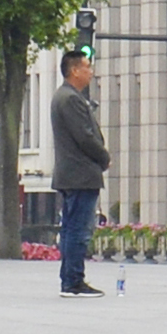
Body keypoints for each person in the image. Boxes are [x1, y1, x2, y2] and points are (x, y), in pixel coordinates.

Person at [51, 48, 111, 296]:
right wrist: (104, 156)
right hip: (80, 173)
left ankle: (70, 278)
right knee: (78, 229)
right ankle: (73, 280)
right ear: (74, 70)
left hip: (70, 173)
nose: (91, 72)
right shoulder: (71, 99)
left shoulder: (62, 97)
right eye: (87, 67)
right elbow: (85, 137)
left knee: (70, 228)